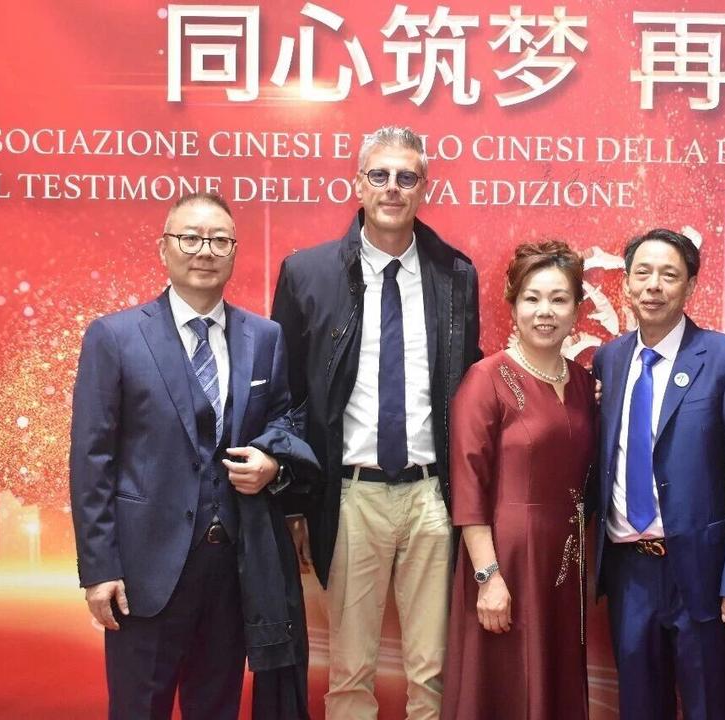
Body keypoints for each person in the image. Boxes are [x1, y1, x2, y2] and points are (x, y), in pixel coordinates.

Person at [69, 192, 319, 719]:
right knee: (139, 709)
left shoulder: (265, 337)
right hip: (143, 571)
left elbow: (283, 420)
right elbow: (92, 460)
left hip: (233, 566)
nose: (205, 250)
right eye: (190, 238)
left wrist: (272, 462)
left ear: (234, 252)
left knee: (217, 706)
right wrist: (98, 569)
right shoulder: (115, 336)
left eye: (219, 240)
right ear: (164, 248)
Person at [270, 126, 481, 720]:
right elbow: (286, 396)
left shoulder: (455, 274)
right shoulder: (307, 273)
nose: (393, 188)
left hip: (431, 497)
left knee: (433, 674)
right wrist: (295, 503)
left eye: (406, 177)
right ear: (358, 184)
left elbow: (467, 383)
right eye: (380, 175)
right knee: (350, 672)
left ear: (424, 187)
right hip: (350, 496)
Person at [590, 228, 725, 720]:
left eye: (669, 275)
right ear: (626, 283)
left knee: (709, 706)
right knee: (639, 707)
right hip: (629, 571)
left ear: (690, 286)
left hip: (702, 572)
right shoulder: (608, 360)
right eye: (642, 273)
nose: (654, 285)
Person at [442, 241, 596, 720]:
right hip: (505, 556)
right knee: (503, 684)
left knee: (554, 679)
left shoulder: (583, 382)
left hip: (565, 559)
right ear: (513, 306)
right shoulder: (486, 379)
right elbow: (468, 487)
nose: (545, 311)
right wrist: (487, 577)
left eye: (558, 299)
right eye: (532, 298)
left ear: (577, 309)